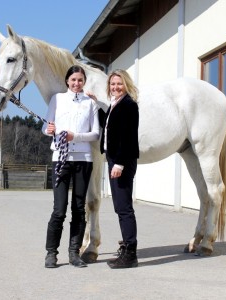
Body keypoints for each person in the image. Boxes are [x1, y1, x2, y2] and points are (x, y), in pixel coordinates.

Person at [42, 65, 100, 268]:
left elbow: (95, 134)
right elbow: (45, 128)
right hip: (60, 158)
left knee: (79, 208)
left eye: (80, 80)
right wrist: (49, 129)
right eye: (73, 80)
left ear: (84, 82)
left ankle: (74, 253)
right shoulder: (56, 99)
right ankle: (51, 253)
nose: (77, 83)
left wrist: (76, 136)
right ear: (67, 81)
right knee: (59, 209)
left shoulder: (90, 104)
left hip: (83, 160)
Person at [97, 69, 139, 269]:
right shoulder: (115, 104)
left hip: (122, 161)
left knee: (124, 208)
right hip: (114, 158)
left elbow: (128, 138)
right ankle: (127, 247)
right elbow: (108, 128)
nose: (115, 87)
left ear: (126, 84)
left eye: (119, 84)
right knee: (119, 207)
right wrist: (94, 102)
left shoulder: (129, 105)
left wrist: (119, 164)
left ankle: (130, 254)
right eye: (113, 84)